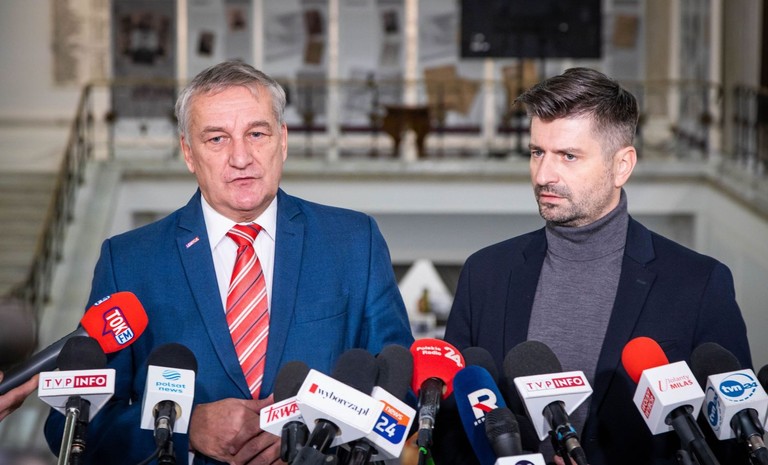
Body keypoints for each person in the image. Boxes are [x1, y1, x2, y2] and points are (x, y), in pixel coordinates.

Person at [44, 59, 413, 464]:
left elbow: (402, 393)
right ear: (189, 153)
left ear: (282, 141)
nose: (241, 157)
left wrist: (316, 431)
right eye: (217, 139)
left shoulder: (354, 242)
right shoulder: (130, 261)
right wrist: (184, 428)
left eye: (257, 133)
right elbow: (69, 425)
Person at [435, 68, 752, 465]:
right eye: (537, 152)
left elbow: (732, 441)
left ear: (622, 166)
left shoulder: (699, 284)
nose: (544, 175)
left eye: (568, 156)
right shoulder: (485, 274)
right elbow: (453, 429)